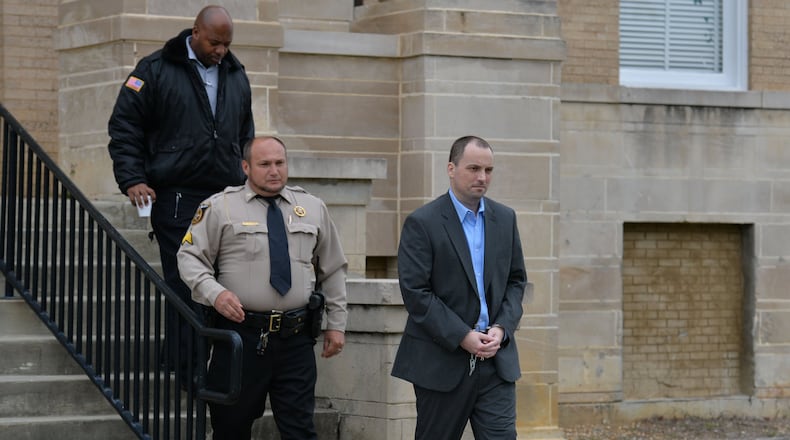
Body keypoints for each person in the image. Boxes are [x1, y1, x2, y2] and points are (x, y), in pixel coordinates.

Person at [106, 5, 254, 373]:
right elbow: (125, 127)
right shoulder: (154, 70)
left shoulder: (236, 74)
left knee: (226, 281)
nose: (221, 50)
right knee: (187, 282)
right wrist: (133, 179)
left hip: (227, 195)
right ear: (195, 32)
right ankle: (189, 373)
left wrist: (247, 175)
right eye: (215, 42)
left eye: (227, 44)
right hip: (175, 196)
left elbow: (245, 133)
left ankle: (210, 366)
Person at [177, 136, 348, 440]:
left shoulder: (312, 207)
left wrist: (336, 325)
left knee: (300, 430)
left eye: (280, 163)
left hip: (296, 339)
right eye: (264, 164)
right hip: (241, 337)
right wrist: (215, 294)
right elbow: (189, 258)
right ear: (245, 167)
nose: (274, 170)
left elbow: (333, 268)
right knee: (231, 428)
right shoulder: (220, 207)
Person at [391, 136, 527, 440]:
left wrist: (502, 328)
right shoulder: (422, 222)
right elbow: (416, 293)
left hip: (496, 363)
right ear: (451, 169)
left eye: (489, 170)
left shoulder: (505, 219)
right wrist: (462, 336)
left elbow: (516, 281)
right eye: (474, 168)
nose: (482, 177)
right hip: (441, 363)